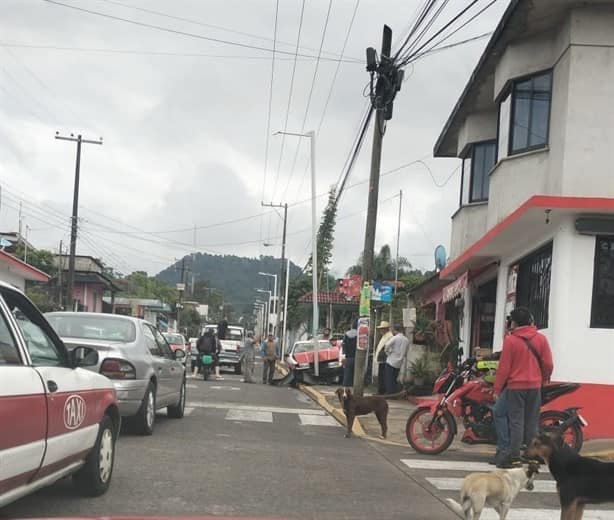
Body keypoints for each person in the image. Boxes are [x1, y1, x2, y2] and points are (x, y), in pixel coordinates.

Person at [494, 307, 553, 468]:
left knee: (516, 422)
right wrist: (544, 378)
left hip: (516, 387)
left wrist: (497, 389)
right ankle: (533, 455)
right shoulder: (541, 339)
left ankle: (514, 456)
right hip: (534, 386)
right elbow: (548, 363)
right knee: (532, 422)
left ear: (515, 322)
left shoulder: (511, 340)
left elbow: (504, 368)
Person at [384, 323, 409, 394]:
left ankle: (390, 393)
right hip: (399, 362)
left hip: (391, 361)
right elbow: (406, 351)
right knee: (394, 378)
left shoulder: (395, 338)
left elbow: (387, 345)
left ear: (395, 330)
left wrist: (388, 352)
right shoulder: (406, 340)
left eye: (392, 330)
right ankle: (394, 392)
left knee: (389, 378)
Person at [374, 321, 393, 394]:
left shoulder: (390, 336)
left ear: (386, 329)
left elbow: (388, 348)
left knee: (383, 376)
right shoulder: (384, 335)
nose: (381, 330)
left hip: (385, 359)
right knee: (381, 375)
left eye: (382, 329)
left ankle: (382, 390)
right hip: (382, 359)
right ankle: (380, 390)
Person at [341, 320, 358, 387]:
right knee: (356, 373)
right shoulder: (359, 334)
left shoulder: (347, 334)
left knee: (347, 372)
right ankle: (354, 385)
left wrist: (344, 354)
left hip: (348, 356)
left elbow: (343, 345)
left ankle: (346, 385)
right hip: (357, 356)